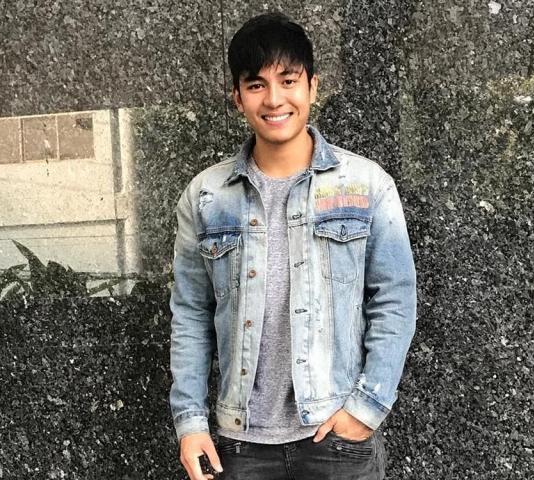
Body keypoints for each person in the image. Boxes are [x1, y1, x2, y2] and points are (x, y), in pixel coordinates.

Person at [169, 12, 416, 480]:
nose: (274, 99)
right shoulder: (206, 197)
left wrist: (366, 408)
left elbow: (394, 299)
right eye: (256, 85)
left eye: (288, 80)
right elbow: (191, 314)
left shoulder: (366, 185)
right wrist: (191, 422)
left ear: (312, 87)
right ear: (237, 97)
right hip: (241, 445)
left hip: (336, 439)